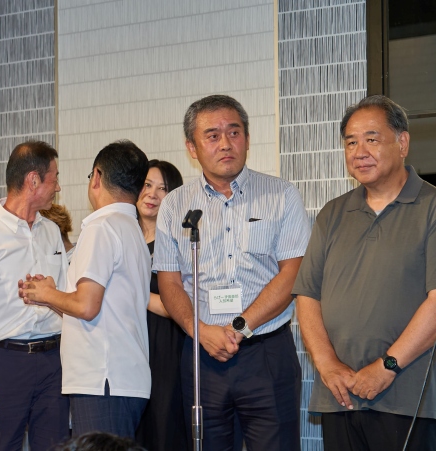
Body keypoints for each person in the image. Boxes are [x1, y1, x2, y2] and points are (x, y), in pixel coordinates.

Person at [153, 95, 310, 450]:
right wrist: (200, 330)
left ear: (248, 139)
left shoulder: (281, 195)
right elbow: (169, 281)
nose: (225, 143)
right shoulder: (175, 205)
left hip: (265, 349)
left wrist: (239, 326)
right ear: (192, 148)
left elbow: (293, 273)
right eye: (212, 135)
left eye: (234, 132)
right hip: (202, 353)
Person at [294, 95, 436, 450]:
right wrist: (328, 366)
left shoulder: (431, 206)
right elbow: (307, 296)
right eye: (351, 142)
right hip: (340, 395)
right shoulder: (332, 213)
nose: (359, 152)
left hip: (409, 398)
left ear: (402, 143)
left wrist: (387, 366)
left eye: (371, 139)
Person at [20, 140, 152, 438]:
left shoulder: (101, 226)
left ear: (97, 177)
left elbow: (87, 306)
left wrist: (45, 293)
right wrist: (53, 297)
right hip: (122, 377)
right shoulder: (131, 228)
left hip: (102, 379)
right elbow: (102, 308)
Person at [0, 141, 68, 450]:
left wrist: (51, 295)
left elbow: (67, 298)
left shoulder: (52, 231)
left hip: (53, 361)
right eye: (54, 178)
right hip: (5, 362)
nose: (58, 187)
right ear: (33, 180)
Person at [134, 160, 188, 450]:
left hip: (167, 350)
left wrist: (134, 293)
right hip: (130, 349)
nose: (152, 194)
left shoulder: (178, 242)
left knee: (165, 430)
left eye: (162, 188)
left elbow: (176, 306)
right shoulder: (124, 237)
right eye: (147, 185)